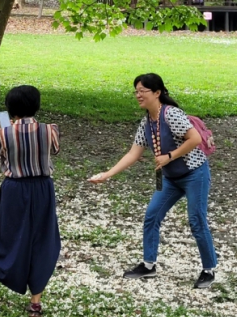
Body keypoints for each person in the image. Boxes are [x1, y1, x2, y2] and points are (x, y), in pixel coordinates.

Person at [88, 73, 217, 289]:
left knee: (196, 220)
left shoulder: (171, 114)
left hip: (195, 173)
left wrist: (169, 156)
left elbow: (194, 139)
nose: (138, 95)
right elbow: (133, 154)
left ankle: (209, 269)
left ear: (157, 93)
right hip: (170, 178)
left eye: (142, 91)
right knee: (151, 216)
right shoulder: (146, 122)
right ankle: (149, 266)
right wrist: (107, 174)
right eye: (136, 91)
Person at [0, 85, 61, 317]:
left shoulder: (4, 132)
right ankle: (35, 303)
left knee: (1, 239)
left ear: (10, 108)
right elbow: (54, 150)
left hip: (15, 190)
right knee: (41, 239)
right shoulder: (50, 130)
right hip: (43, 189)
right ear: (36, 105)